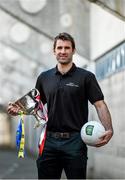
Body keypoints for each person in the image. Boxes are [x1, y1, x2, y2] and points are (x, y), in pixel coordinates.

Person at [7, 32, 113, 179]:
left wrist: (108, 129)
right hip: (49, 141)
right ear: (54, 51)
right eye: (60, 48)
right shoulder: (44, 77)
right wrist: (19, 109)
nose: (63, 51)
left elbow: (100, 104)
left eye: (67, 48)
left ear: (73, 50)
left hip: (75, 141)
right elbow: (36, 104)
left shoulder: (86, 77)